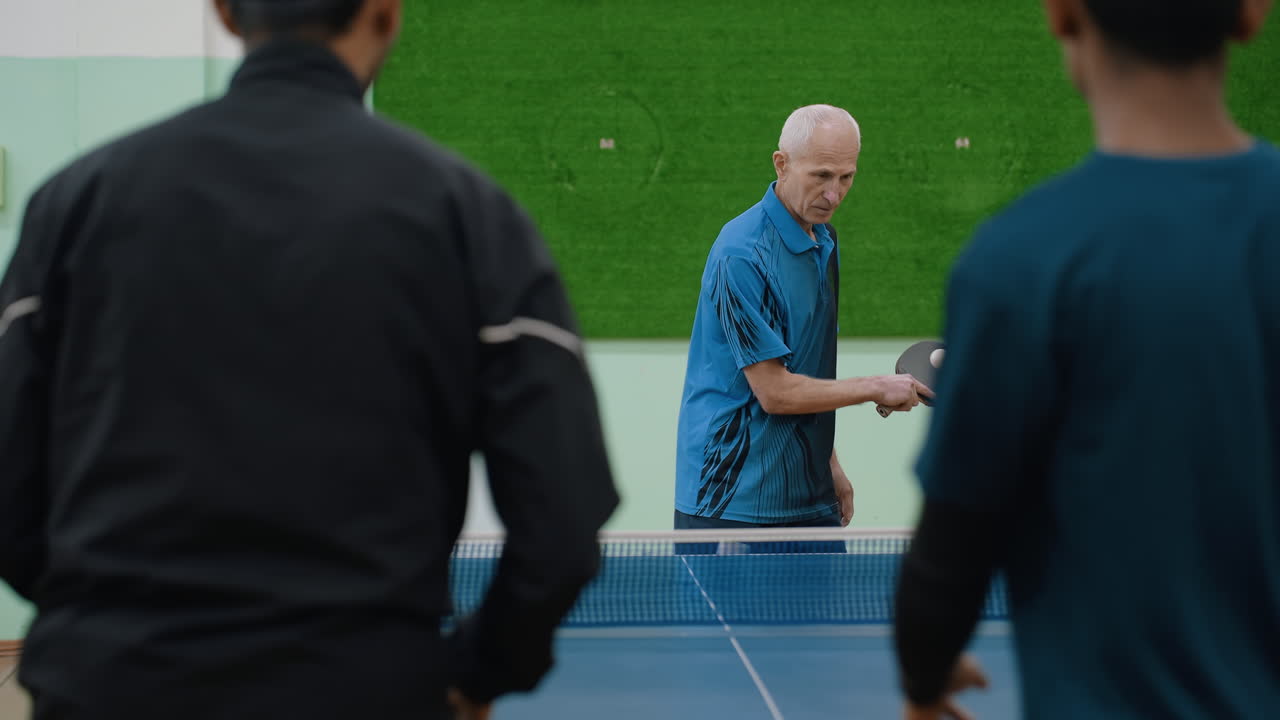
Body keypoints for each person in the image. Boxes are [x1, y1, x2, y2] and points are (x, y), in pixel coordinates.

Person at [0, 1, 619, 718]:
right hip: (362, 687)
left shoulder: (72, 205)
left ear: (226, 14)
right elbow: (564, 522)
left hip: (108, 684)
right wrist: (479, 672)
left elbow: (10, 486)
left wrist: (112, 628)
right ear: (385, 12)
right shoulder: (469, 215)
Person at [892, 0, 1279, 718]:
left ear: (1062, 14)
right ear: (1252, 14)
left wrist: (924, 680)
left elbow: (953, 546)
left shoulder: (1016, 263)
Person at [674, 104, 932, 534]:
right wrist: (874, 387)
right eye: (821, 176)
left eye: (846, 177)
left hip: (810, 497)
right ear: (782, 164)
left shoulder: (824, 239)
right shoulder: (741, 253)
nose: (834, 194)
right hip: (732, 501)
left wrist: (828, 460)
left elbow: (804, 366)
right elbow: (774, 391)